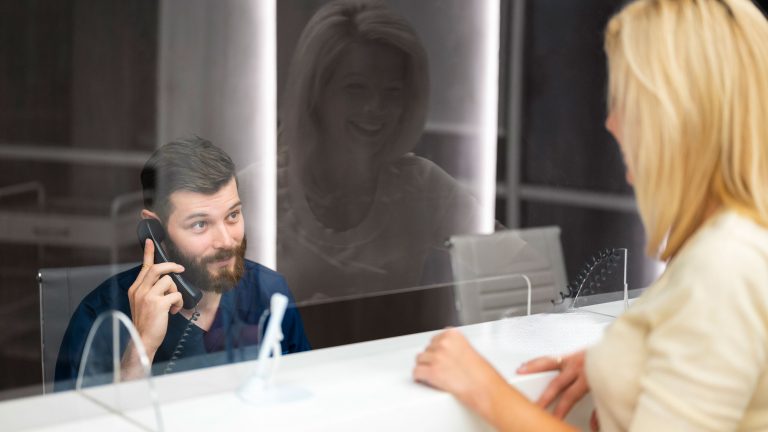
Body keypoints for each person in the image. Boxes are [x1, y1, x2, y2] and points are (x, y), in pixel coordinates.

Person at [413, 0, 768, 430]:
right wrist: (624, 366)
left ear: (678, 116)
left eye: (627, 100)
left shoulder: (722, 265)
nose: (611, 123)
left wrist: (482, 387)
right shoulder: (733, 242)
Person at [54, 137, 310, 391]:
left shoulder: (269, 292)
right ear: (155, 229)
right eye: (200, 224)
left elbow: (305, 396)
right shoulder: (100, 315)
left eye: (232, 215)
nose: (225, 241)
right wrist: (142, 346)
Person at [276, 0, 480, 304]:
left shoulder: (421, 184)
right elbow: (208, 317)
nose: (376, 107)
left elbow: (522, 268)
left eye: (392, 92)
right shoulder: (257, 193)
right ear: (315, 93)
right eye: (356, 88)